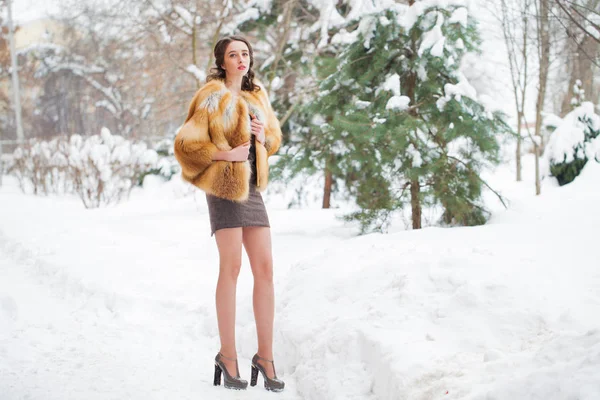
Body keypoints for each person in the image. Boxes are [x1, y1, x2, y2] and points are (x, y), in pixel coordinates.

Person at [173, 35, 284, 392]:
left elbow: (275, 140)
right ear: (222, 61)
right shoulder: (212, 95)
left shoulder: (257, 95)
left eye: (245, 53)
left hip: (251, 191)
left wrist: (262, 137)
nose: (241, 59)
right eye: (233, 54)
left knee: (265, 269)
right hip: (223, 188)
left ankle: (265, 357)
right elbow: (185, 146)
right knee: (232, 268)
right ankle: (228, 355)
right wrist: (226, 156)